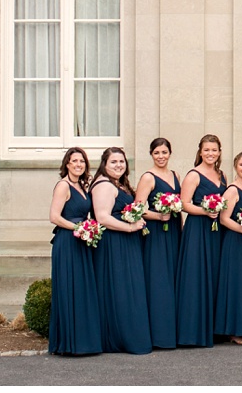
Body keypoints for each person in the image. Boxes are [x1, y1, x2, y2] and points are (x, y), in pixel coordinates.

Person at [90, 146, 151, 354]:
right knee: (119, 289)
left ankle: (126, 335)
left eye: (122, 162)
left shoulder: (118, 184)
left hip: (125, 242)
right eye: (114, 162)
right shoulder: (104, 185)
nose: (119, 165)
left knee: (125, 289)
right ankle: (119, 337)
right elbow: (102, 217)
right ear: (104, 165)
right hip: (113, 243)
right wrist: (130, 226)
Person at [46, 147, 102, 356]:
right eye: (74, 161)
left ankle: (84, 341)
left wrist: (87, 228)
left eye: (82, 161)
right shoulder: (63, 186)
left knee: (82, 289)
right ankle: (69, 343)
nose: (78, 164)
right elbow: (54, 216)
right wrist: (79, 228)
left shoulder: (81, 186)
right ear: (67, 164)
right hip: (67, 243)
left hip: (82, 241)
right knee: (70, 288)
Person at [176, 134, 225, 348]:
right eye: (206, 150)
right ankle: (192, 330)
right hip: (198, 229)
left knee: (213, 275)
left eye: (214, 150)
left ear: (219, 152)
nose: (210, 154)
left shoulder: (221, 175)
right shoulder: (193, 175)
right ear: (200, 151)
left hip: (216, 230)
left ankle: (213, 328)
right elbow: (184, 204)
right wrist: (206, 211)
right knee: (196, 276)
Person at [135, 137, 181, 351]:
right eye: (157, 153)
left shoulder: (176, 176)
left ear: (170, 153)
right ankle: (159, 334)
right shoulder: (148, 177)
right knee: (159, 280)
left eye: (164, 152)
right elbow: (137, 209)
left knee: (173, 279)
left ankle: (174, 331)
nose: (161, 156)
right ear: (151, 155)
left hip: (173, 232)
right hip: (156, 233)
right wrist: (158, 216)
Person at [214, 150, 242, 345]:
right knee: (237, 283)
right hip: (235, 241)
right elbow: (223, 219)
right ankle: (233, 330)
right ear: (235, 167)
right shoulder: (232, 190)